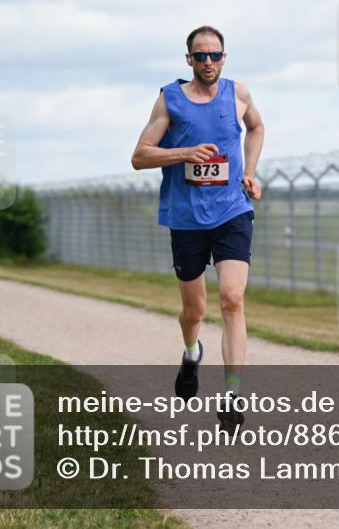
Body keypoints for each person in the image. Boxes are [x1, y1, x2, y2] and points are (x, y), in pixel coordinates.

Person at [131, 25, 264, 431]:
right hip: (186, 218)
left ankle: (233, 393)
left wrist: (251, 172)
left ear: (225, 57)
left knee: (232, 299)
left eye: (215, 55)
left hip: (231, 211)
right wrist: (185, 152)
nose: (208, 62)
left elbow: (257, 127)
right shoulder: (169, 99)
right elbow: (139, 156)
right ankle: (192, 352)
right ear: (189, 59)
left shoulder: (238, 94)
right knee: (195, 311)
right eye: (200, 56)